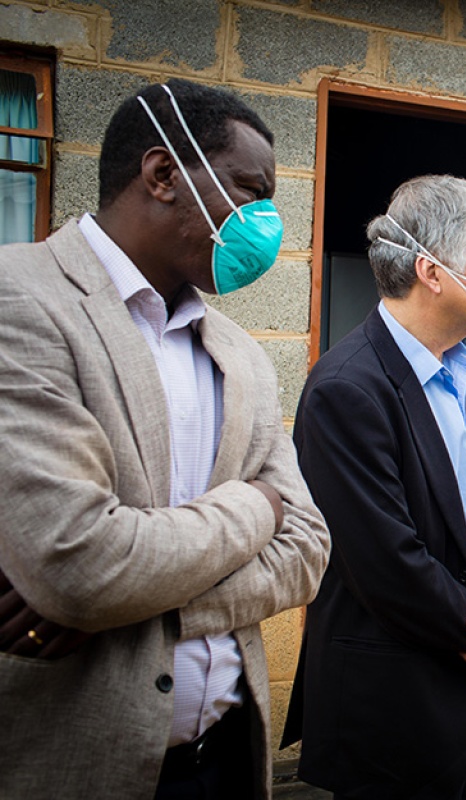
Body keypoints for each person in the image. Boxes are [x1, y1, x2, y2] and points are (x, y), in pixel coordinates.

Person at [0, 79, 331, 799]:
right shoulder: (20, 298)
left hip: (227, 761)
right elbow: (81, 563)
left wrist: (139, 609)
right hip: (79, 768)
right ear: (161, 175)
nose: (266, 223)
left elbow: (307, 550)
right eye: (251, 190)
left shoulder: (237, 351)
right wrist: (257, 506)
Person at [282, 174, 466, 799]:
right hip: (395, 707)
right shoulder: (347, 388)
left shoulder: (463, 371)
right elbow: (389, 566)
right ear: (433, 272)